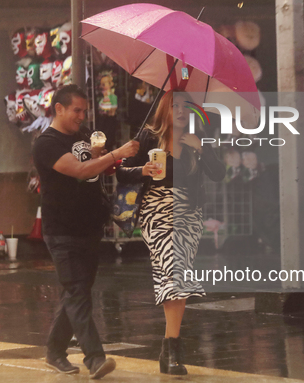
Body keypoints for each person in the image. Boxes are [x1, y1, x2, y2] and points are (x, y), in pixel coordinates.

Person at [32, 84, 139, 378]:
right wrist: (116, 152)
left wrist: (107, 160)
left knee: (77, 292)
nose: (82, 116)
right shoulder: (46, 143)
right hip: (62, 229)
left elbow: (94, 168)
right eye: (77, 110)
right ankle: (95, 358)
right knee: (77, 292)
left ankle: (54, 351)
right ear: (59, 109)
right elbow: (79, 171)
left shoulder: (83, 135)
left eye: (84, 110)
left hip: (89, 226)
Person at [116, 90, 226, 375]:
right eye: (175, 105)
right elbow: (121, 171)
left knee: (176, 277)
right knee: (175, 271)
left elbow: (218, 174)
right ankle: (172, 350)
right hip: (158, 212)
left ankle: (170, 349)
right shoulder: (149, 139)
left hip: (189, 215)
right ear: (164, 109)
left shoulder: (196, 140)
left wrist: (202, 148)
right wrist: (144, 169)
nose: (181, 111)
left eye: (186, 107)